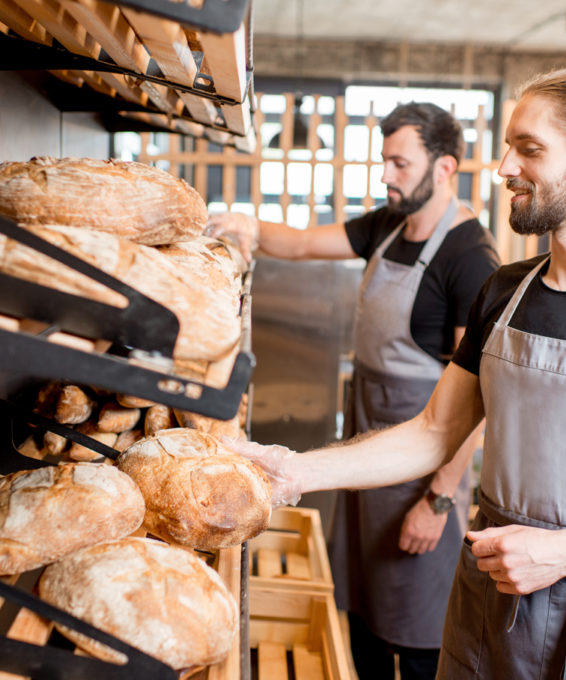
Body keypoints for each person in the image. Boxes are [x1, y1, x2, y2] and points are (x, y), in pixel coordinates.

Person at [222, 67, 566, 679]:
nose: (504, 167)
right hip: (482, 605)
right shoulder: (504, 292)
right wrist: (293, 471)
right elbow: (434, 432)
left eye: (529, 149)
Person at [208, 103, 500, 679]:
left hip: (419, 475)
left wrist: (438, 502)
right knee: (362, 614)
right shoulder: (387, 226)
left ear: (444, 167)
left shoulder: (470, 257)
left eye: (399, 162)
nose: (386, 175)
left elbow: (476, 403)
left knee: (417, 631)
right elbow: (298, 245)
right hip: (367, 452)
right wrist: (246, 228)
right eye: (384, 161)